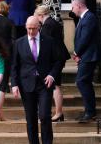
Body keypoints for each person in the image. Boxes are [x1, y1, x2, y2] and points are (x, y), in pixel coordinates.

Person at [11, 16, 67, 144]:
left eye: (34, 29)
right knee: (30, 118)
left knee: (44, 116)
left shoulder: (49, 41)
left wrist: (52, 75)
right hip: (26, 84)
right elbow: (14, 65)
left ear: (39, 27)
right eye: (28, 28)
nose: (31, 32)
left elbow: (59, 60)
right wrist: (14, 84)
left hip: (44, 84)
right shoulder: (19, 43)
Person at [34, 5, 70, 122]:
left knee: (55, 86)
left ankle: (58, 113)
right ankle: (58, 113)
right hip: (59, 56)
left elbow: (46, 43)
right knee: (56, 85)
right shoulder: (53, 22)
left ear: (41, 15)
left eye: (37, 17)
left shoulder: (47, 25)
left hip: (55, 58)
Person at [72, 0, 99, 123]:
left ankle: (90, 111)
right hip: (85, 56)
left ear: (79, 6)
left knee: (81, 81)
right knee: (85, 82)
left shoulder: (89, 17)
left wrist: (77, 52)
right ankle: (89, 111)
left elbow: (85, 38)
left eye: (73, 7)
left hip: (89, 56)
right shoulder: (84, 18)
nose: (72, 10)